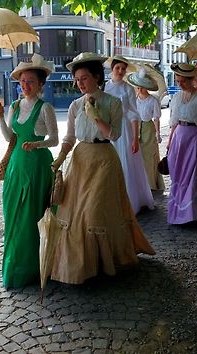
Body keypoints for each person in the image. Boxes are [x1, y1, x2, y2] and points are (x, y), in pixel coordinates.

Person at [50, 52, 155, 284]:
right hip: (80, 160)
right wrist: (59, 159)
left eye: (84, 78)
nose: (80, 84)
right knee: (77, 214)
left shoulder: (113, 102)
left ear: (97, 77)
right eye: (76, 79)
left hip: (105, 160)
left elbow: (115, 134)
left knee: (95, 211)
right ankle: (82, 265)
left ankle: (104, 262)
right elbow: (69, 137)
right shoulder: (75, 105)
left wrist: (97, 117)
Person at [0, 53, 58, 288]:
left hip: (37, 166)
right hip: (16, 166)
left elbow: (54, 139)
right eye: (22, 81)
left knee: (32, 218)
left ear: (40, 84)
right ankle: (15, 267)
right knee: (13, 216)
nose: (25, 85)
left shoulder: (45, 108)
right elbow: (10, 137)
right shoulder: (14, 106)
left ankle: (33, 268)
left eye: (30, 81)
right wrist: (1, 118)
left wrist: (37, 144)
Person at [104, 56, 155, 214]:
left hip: (125, 131)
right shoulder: (104, 88)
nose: (120, 71)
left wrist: (135, 139)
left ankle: (130, 200)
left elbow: (134, 114)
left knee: (126, 163)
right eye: (117, 68)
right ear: (112, 69)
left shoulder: (128, 89)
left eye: (123, 69)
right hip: (109, 130)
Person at [166, 63, 197, 225]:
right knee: (177, 174)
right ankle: (178, 211)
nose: (180, 84)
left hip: (193, 137)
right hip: (179, 137)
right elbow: (173, 122)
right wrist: (169, 141)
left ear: (191, 79)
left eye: (183, 81)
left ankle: (191, 213)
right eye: (177, 81)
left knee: (192, 175)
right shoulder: (177, 97)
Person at [126, 69, 166, 192]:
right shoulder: (134, 100)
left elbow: (156, 118)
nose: (140, 89)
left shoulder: (153, 100)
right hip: (136, 128)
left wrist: (158, 133)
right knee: (137, 156)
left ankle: (150, 183)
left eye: (142, 87)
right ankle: (138, 182)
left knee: (149, 156)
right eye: (138, 87)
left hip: (148, 129)